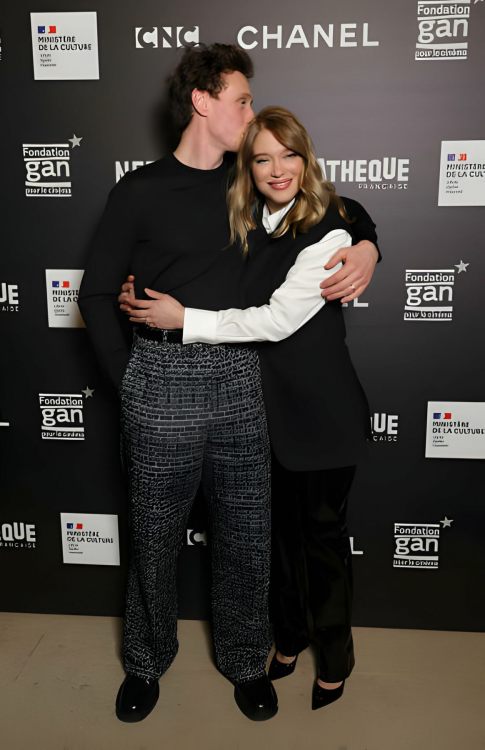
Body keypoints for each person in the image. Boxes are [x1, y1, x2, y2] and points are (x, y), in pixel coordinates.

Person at [78, 43, 378, 723]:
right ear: (204, 103)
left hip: (244, 380)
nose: (250, 112)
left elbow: (336, 205)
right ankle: (146, 662)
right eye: (241, 100)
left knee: (246, 538)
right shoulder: (139, 190)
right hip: (160, 378)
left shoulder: (252, 179)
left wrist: (366, 243)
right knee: (153, 538)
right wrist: (132, 382)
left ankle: (245, 660)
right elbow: (97, 296)